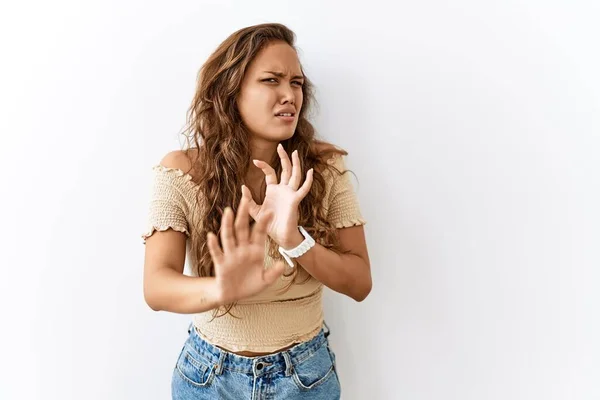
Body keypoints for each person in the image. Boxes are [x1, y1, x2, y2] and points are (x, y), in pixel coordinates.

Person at [141, 22, 372, 399]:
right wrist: (222, 288)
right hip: (208, 377)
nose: (290, 95)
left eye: (296, 83)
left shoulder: (325, 167)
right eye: (272, 80)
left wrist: (294, 240)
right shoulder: (182, 171)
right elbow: (156, 287)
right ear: (231, 92)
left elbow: (360, 282)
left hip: (304, 377)